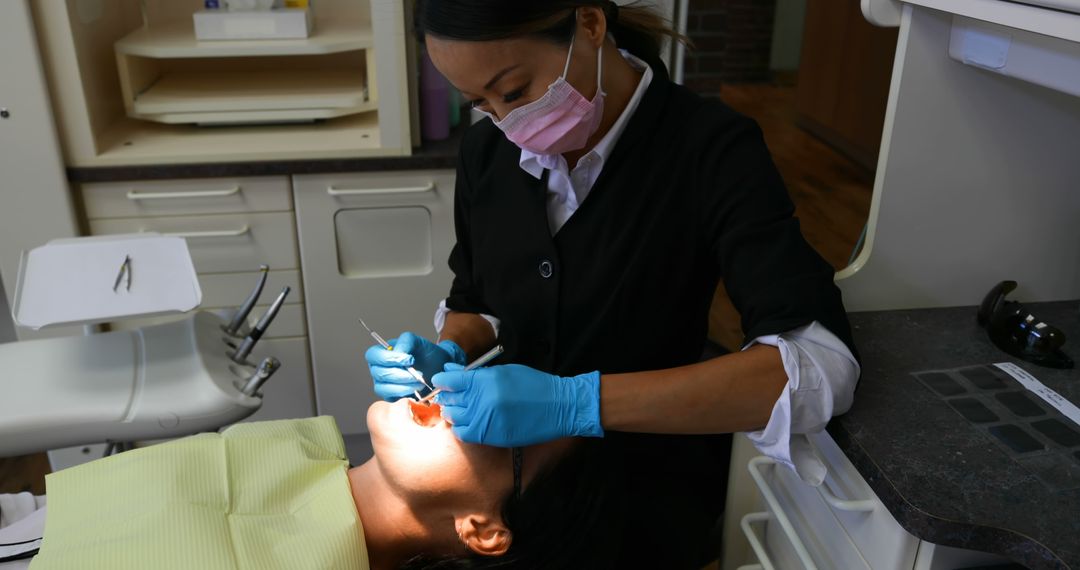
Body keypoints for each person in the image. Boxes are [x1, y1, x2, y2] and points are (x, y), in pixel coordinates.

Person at [365, 1, 862, 567]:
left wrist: (578, 401)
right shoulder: (486, 151)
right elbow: (478, 298)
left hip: (649, 492)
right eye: (481, 103)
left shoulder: (710, 148)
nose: (507, 122)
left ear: (590, 24)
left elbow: (817, 366)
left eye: (516, 90)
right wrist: (454, 345)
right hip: (530, 504)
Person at [1, 402, 624, 570]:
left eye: (506, 426)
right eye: (491, 387)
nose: (467, 401)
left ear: (482, 529)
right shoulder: (294, 460)